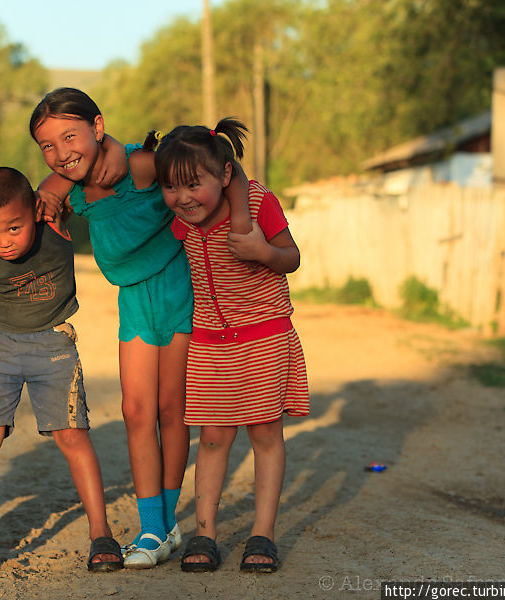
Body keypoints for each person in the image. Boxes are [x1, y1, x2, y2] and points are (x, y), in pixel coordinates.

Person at [29, 88, 248, 568]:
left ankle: (163, 526)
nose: (62, 152)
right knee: (135, 410)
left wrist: (244, 219)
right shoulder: (72, 187)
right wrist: (53, 184)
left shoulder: (144, 167)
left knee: (172, 409)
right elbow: (50, 183)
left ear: (99, 127)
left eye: (71, 137)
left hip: (180, 290)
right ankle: (154, 527)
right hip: (135, 302)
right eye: (48, 145)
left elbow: (215, 163)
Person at [0, 166, 123, 578]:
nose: (2, 241)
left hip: (52, 346)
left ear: (35, 211)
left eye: (13, 228)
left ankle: (101, 533)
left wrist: (50, 193)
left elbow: (82, 165)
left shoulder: (54, 220)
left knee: (72, 435)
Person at [152, 117, 309, 574]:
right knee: (214, 439)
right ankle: (205, 533)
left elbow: (292, 257)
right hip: (210, 342)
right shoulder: (184, 216)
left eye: (193, 185)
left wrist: (263, 251)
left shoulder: (259, 202)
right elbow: (137, 163)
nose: (182, 198)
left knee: (264, 433)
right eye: (171, 187)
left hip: (264, 334)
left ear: (222, 175)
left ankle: (263, 533)